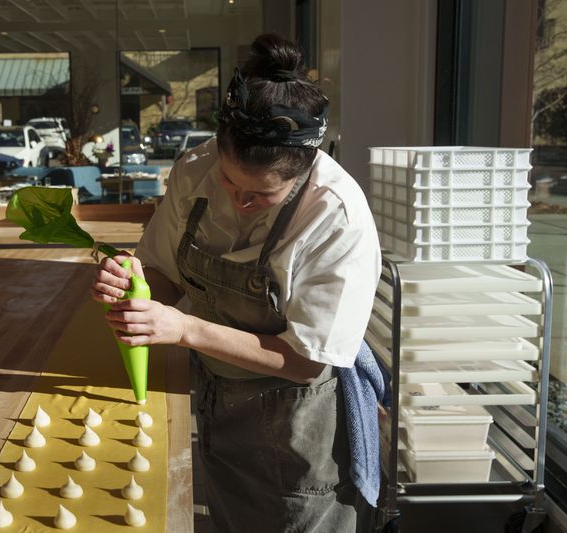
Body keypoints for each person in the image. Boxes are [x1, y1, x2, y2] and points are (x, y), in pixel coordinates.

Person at [91, 33, 381, 533]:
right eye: (230, 182)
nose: (238, 201)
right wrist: (133, 287)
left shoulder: (338, 216)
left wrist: (184, 330)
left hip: (296, 425)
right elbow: (160, 272)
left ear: (303, 171)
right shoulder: (194, 169)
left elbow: (306, 361)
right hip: (216, 401)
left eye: (260, 195)